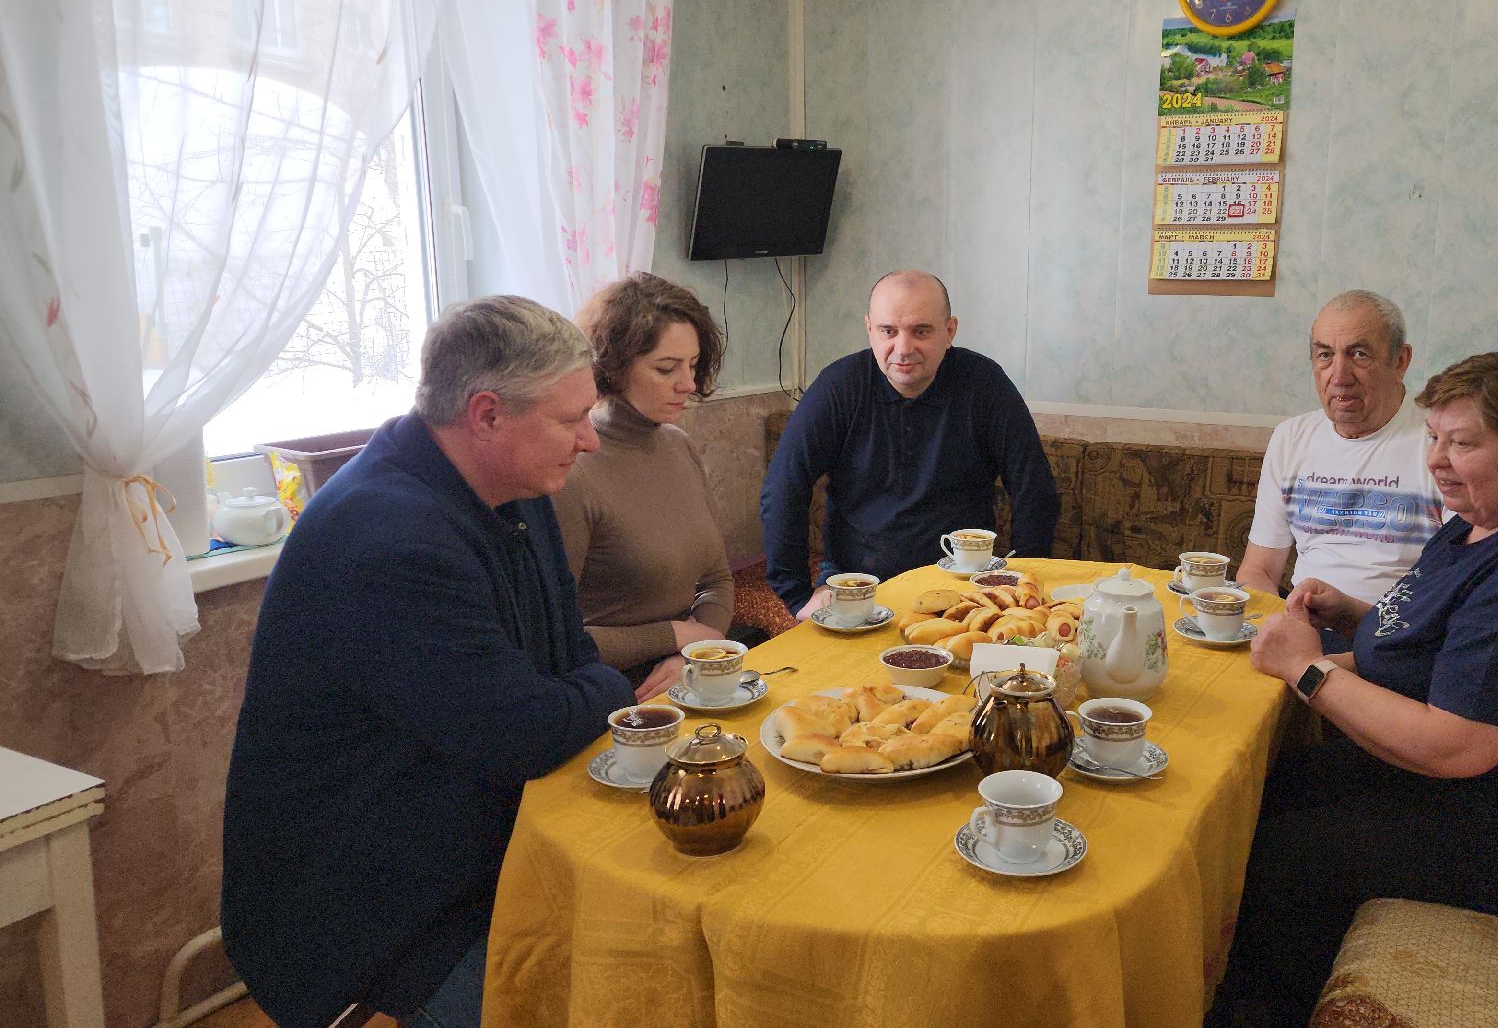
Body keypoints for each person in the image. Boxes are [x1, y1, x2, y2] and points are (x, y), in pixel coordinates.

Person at [1210, 346, 1498, 1027]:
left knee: (1289, 860)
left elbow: (1454, 747)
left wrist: (1306, 670)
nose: (1435, 460)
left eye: (1462, 443)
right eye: (1433, 437)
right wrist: (1360, 622)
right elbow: (1456, 651)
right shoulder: (1492, 514)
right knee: (1275, 782)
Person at [222, 296, 635, 1028]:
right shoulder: (387, 538)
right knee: (618, 999)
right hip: (376, 920)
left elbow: (567, 654)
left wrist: (585, 683)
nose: (590, 441)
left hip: (472, 858)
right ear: (485, 415)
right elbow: (526, 732)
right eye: (571, 419)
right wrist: (610, 687)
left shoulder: (514, 485)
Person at [760, 269, 1060, 618]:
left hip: (964, 584)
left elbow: (1033, 487)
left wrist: (1022, 581)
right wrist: (796, 595)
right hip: (857, 585)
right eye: (888, 331)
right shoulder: (838, 388)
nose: (903, 349)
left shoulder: (984, 384)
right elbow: (784, 487)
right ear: (869, 329)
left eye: (921, 331)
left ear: (949, 332)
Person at [554, 273, 746, 702]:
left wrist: (696, 652)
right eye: (666, 369)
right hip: (616, 684)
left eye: (693, 366)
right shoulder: (573, 472)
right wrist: (673, 634)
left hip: (689, 658)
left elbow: (716, 579)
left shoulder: (678, 445)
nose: (689, 385)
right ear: (613, 367)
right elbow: (554, 638)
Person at [1237, 291, 1445, 639]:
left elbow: (1453, 592)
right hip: (1302, 627)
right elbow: (1258, 570)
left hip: (1397, 641)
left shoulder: (1442, 441)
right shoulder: (1291, 438)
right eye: (1324, 355)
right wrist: (1274, 629)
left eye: (1359, 354)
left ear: (1400, 361)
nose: (1339, 375)